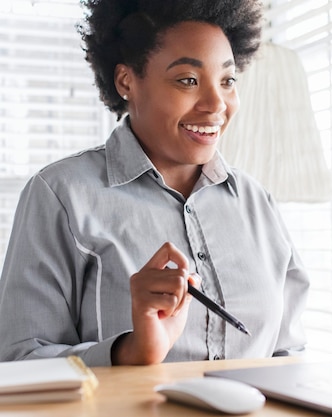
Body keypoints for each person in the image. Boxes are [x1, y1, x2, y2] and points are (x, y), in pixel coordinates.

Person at [0, 0, 309, 366]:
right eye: (188, 80)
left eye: (227, 81)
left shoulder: (257, 202)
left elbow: (288, 355)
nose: (216, 104)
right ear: (126, 81)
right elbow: (19, 361)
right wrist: (128, 351)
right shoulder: (62, 195)